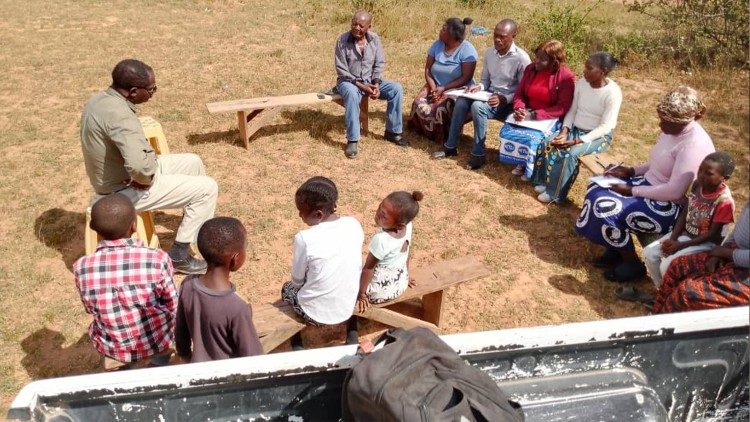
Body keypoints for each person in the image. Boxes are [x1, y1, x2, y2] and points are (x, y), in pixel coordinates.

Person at [81, 59, 218, 275]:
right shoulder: (120, 115)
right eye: (152, 89)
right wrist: (145, 179)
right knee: (207, 188)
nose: (153, 93)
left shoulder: (102, 100)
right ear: (133, 92)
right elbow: (139, 168)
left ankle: (199, 231)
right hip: (121, 190)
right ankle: (179, 256)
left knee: (193, 162)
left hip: (119, 175)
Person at [575, 86, 716, 282]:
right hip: (649, 185)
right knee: (597, 187)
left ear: (683, 121)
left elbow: (675, 192)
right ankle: (616, 247)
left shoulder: (694, 145)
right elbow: (659, 162)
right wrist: (631, 171)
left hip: (667, 206)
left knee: (606, 207)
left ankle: (632, 263)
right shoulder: (673, 130)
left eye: (666, 122)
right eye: (661, 119)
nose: (661, 125)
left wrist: (632, 190)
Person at [73, 193, 176, 370]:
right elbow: (173, 304)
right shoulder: (157, 259)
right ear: (134, 226)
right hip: (158, 341)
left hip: (114, 348)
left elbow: (90, 308)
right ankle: (158, 364)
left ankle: (121, 370)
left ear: (95, 230)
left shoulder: (81, 267)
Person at [433, 19, 531, 170]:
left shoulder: (521, 58)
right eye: (495, 35)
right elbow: (485, 80)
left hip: (508, 102)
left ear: (513, 36)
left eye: (502, 36)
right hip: (489, 95)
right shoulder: (489, 53)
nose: (498, 39)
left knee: (478, 107)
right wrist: (477, 87)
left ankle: (478, 154)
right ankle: (450, 147)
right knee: (461, 101)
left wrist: (505, 98)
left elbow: (523, 90)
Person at [281, 176, 364, 349]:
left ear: (318, 215)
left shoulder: (304, 238)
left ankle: (296, 341)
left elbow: (297, 282)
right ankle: (352, 330)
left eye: (301, 211)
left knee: (286, 289)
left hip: (315, 315)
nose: (299, 215)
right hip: (348, 305)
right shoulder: (354, 224)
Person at [533, 52, 622, 203]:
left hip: (597, 136)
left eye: (589, 68)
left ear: (603, 72)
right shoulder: (582, 83)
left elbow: (606, 126)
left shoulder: (613, 93)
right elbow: (572, 110)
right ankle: (545, 182)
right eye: (585, 66)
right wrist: (565, 130)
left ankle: (555, 195)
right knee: (547, 143)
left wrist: (578, 141)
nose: (584, 71)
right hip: (575, 129)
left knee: (569, 155)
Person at [175, 217, 263, 363]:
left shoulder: (188, 284)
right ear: (235, 258)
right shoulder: (238, 307)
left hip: (197, 371)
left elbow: (181, 332)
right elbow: (253, 357)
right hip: (228, 379)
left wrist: (185, 356)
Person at [641, 152, 735, 285]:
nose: (702, 175)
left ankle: (668, 295)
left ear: (724, 178)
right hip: (685, 235)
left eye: (709, 173)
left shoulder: (724, 202)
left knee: (666, 265)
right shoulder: (697, 185)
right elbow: (685, 212)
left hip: (705, 243)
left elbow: (711, 234)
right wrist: (673, 238)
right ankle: (661, 290)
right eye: (700, 169)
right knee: (649, 253)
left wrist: (680, 245)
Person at [653, 201, 749, 313]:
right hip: (734, 254)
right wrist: (717, 254)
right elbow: (736, 233)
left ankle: (668, 325)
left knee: (687, 293)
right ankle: (658, 312)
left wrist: (726, 253)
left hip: (744, 270)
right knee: (678, 266)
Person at [335, 10, 407, 158]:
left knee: (396, 89)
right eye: (354, 24)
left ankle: (392, 132)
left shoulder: (374, 39)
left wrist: (376, 85)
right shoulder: (342, 40)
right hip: (349, 82)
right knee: (351, 93)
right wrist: (362, 86)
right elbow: (342, 70)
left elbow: (378, 65)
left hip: (369, 80)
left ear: (369, 26)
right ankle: (353, 140)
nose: (357, 28)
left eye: (361, 26)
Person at [510, 39, 575, 179]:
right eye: (536, 56)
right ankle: (521, 159)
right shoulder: (531, 69)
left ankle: (532, 167)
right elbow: (519, 94)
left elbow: (562, 107)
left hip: (550, 118)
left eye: (542, 59)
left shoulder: (565, 77)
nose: (536, 61)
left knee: (535, 137)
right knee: (510, 130)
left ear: (554, 62)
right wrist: (520, 109)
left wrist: (533, 115)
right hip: (528, 113)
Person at [408, 18, 477, 144]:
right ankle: (423, 131)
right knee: (418, 102)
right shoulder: (437, 45)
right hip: (435, 85)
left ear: (452, 34)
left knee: (439, 109)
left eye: (443, 29)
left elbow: (465, 78)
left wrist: (444, 89)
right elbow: (428, 69)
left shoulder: (467, 49)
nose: (440, 30)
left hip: (457, 89)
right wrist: (434, 87)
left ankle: (442, 135)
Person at [356, 191, 423, 312]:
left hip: (377, 294)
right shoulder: (408, 226)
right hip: (400, 284)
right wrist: (406, 275)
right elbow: (406, 252)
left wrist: (361, 295)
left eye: (383, 215)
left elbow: (368, 269)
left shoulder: (381, 240)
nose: (377, 214)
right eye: (379, 207)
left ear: (399, 226)